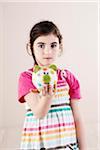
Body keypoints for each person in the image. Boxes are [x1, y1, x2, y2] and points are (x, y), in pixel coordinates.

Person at [18, 20, 86, 150]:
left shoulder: (68, 77)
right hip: (39, 145)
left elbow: (77, 118)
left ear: (60, 47)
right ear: (30, 47)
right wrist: (47, 97)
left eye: (53, 45)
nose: (48, 51)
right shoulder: (27, 77)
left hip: (67, 145)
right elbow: (39, 113)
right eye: (41, 45)